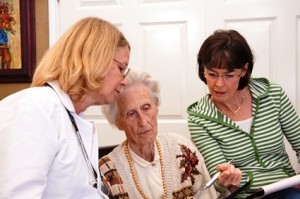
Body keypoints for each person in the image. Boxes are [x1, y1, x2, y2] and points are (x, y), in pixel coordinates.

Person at [0, 17, 131, 198]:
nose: (124, 81)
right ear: (96, 58)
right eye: (121, 68)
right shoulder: (36, 108)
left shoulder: (71, 116)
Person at [187, 29, 300, 198]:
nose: (219, 84)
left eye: (229, 75)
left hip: (288, 189)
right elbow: (217, 181)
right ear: (203, 70)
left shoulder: (272, 94)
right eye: (212, 74)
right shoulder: (199, 117)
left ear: (244, 70)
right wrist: (224, 181)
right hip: (246, 195)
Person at [98, 70, 241, 199]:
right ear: (118, 122)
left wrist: (225, 186)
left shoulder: (182, 149)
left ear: (156, 107)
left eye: (146, 108)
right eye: (131, 114)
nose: (143, 121)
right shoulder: (107, 172)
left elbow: (207, 196)